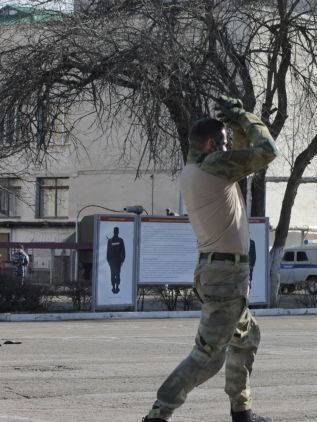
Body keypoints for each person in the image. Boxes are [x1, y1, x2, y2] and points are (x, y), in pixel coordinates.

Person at [143, 96, 278, 422]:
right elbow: (267, 152)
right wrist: (244, 117)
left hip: (218, 271)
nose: (226, 147)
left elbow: (240, 155)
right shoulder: (213, 166)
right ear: (208, 143)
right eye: (222, 142)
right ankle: (158, 414)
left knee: (247, 339)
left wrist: (233, 127)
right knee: (208, 356)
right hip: (225, 275)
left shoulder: (197, 168)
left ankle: (241, 411)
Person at [106, 227, 126, 294]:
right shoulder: (112, 240)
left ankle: (115, 287)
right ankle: (115, 287)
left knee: (115, 274)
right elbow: (108, 251)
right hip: (115, 260)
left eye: (116, 231)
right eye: (116, 231)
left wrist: (122, 260)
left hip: (116, 260)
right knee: (115, 274)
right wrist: (122, 260)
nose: (116, 232)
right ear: (116, 232)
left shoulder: (116, 240)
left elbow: (122, 251)